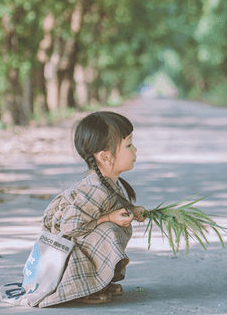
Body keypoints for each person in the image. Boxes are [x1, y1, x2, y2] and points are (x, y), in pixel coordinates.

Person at [37, 111, 145, 307]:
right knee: (109, 231)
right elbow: (70, 228)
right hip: (66, 251)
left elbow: (109, 205)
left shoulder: (107, 182)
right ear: (105, 157)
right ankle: (81, 287)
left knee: (111, 228)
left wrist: (131, 209)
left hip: (80, 239)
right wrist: (110, 218)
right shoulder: (94, 188)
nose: (135, 150)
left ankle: (98, 281)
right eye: (129, 145)